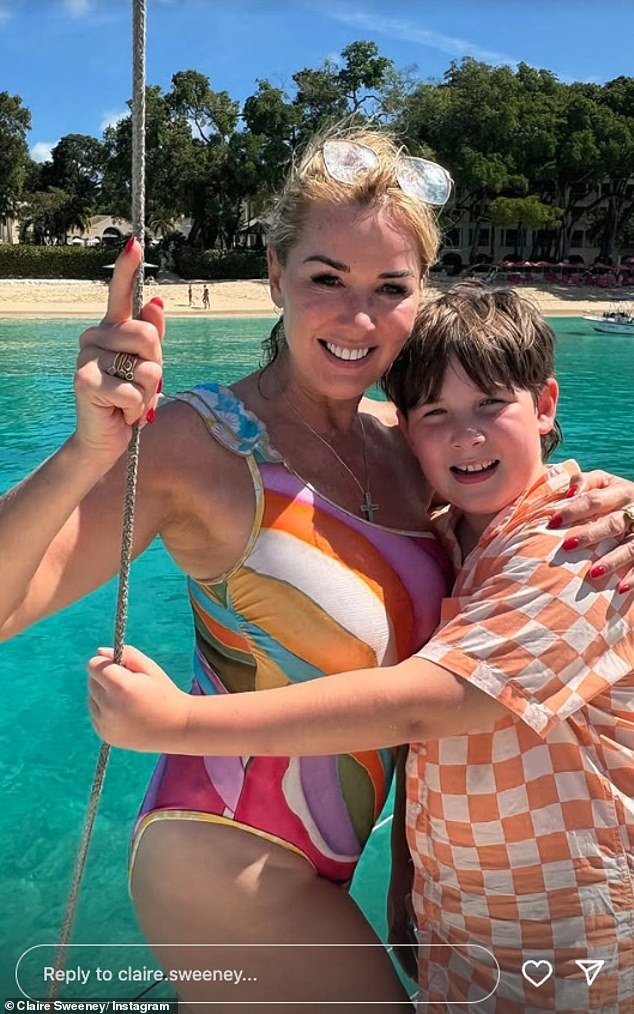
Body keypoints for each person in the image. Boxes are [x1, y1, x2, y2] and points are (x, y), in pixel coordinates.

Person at [2, 125, 634, 1011]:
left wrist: (615, 496)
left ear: (422, 297)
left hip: (334, 862)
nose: (359, 319)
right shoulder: (200, 441)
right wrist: (84, 449)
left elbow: (495, 586)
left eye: (391, 288)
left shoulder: (412, 448)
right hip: (223, 853)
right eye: (326, 279)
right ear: (274, 275)